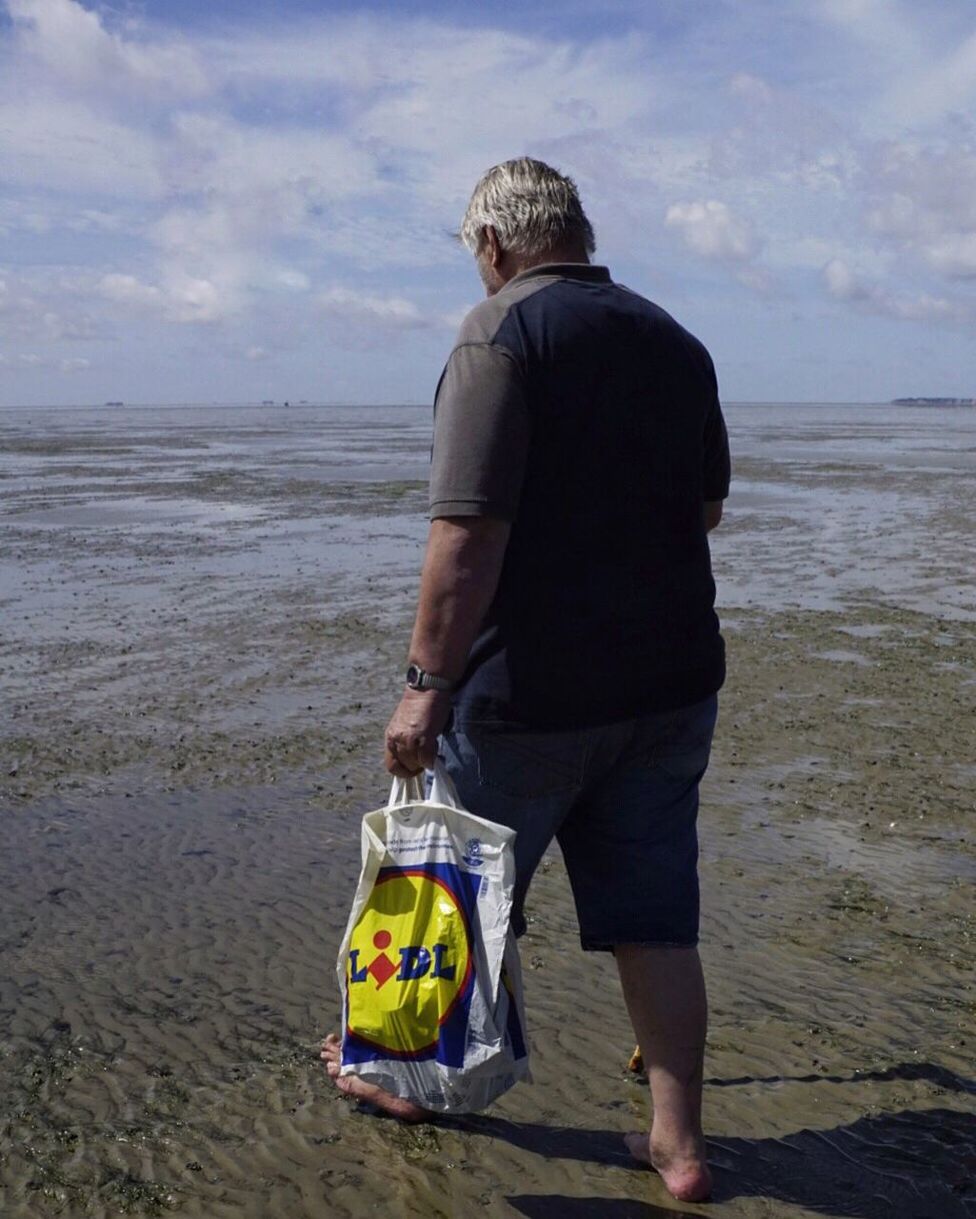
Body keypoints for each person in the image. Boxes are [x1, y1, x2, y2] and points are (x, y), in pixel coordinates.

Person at [322, 157, 730, 1204]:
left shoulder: (498, 333)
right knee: (654, 914)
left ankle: (412, 1080)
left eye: (476, 259)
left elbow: (465, 528)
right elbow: (705, 512)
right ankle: (676, 1144)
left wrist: (424, 683)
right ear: (578, 235)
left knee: (462, 891)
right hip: (669, 685)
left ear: (493, 247)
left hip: (527, 697)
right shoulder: (676, 342)